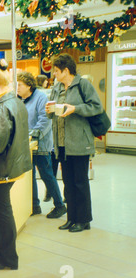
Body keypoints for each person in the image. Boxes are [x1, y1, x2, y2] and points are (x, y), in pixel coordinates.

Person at [45, 53, 103, 232]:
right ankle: (71, 218)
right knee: (68, 182)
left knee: (80, 182)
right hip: (62, 143)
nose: (54, 74)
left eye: (56, 71)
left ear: (66, 70)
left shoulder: (82, 85)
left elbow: (96, 107)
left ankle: (83, 220)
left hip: (79, 142)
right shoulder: (57, 88)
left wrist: (75, 109)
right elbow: (52, 112)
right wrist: (49, 110)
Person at [0, 59, 32, 270]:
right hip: (14, 166)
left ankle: (7, 258)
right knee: (4, 211)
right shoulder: (16, 102)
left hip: (1, 169)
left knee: (1, 213)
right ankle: (6, 257)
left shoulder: (2, 107)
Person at [17, 71, 66, 219]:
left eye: (20, 85)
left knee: (46, 174)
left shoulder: (41, 98)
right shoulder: (20, 99)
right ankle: (34, 205)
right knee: (30, 175)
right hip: (28, 145)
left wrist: (33, 136)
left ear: (29, 86)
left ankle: (59, 205)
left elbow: (45, 120)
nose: (17, 88)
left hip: (41, 144)